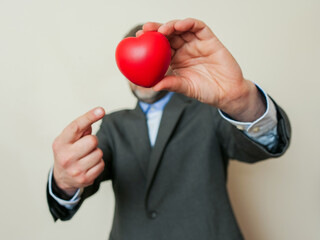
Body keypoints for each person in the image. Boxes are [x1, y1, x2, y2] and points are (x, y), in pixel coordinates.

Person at [47, 18, 291, 240]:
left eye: (147, 59)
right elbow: (86, 174)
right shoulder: (113, 125)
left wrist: (239, 101)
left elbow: (263, 146)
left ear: (168, 62)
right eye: (132, 65)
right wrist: (64, 180)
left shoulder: (208, 109)